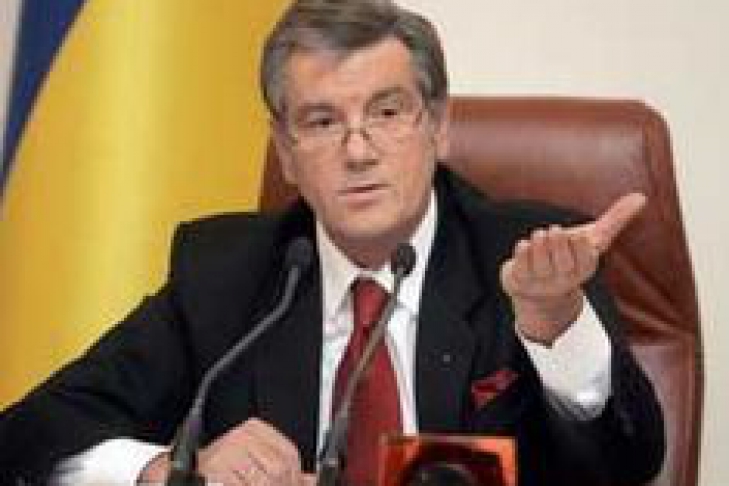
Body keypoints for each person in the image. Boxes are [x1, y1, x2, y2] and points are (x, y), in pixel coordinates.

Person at [0, 0, 665, 485]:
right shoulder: (226, 275)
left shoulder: (528, 258)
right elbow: (28, 434)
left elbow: (626, 465)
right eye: (321, 122)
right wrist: (168, 470)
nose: (357, 151)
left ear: (437, 126)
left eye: (386, 112)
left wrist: (557, 325)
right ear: (286, 152)